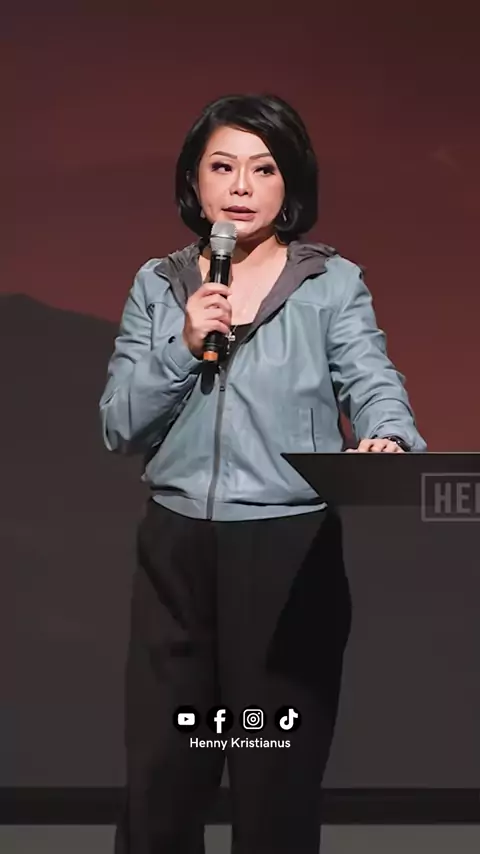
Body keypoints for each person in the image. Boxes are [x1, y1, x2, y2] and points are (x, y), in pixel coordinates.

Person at [99, 93, 427, 854]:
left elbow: (372, 379)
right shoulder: (160, 284)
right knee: (162, 781)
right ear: (194, 180)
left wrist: (387, 433)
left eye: (264, 168)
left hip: (287, 553)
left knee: (274, 781)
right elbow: (119, 424)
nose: (242, 186)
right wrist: (183, 345)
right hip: (177, 554)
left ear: (292, 183)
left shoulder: (330, 283)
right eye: (222, 167)